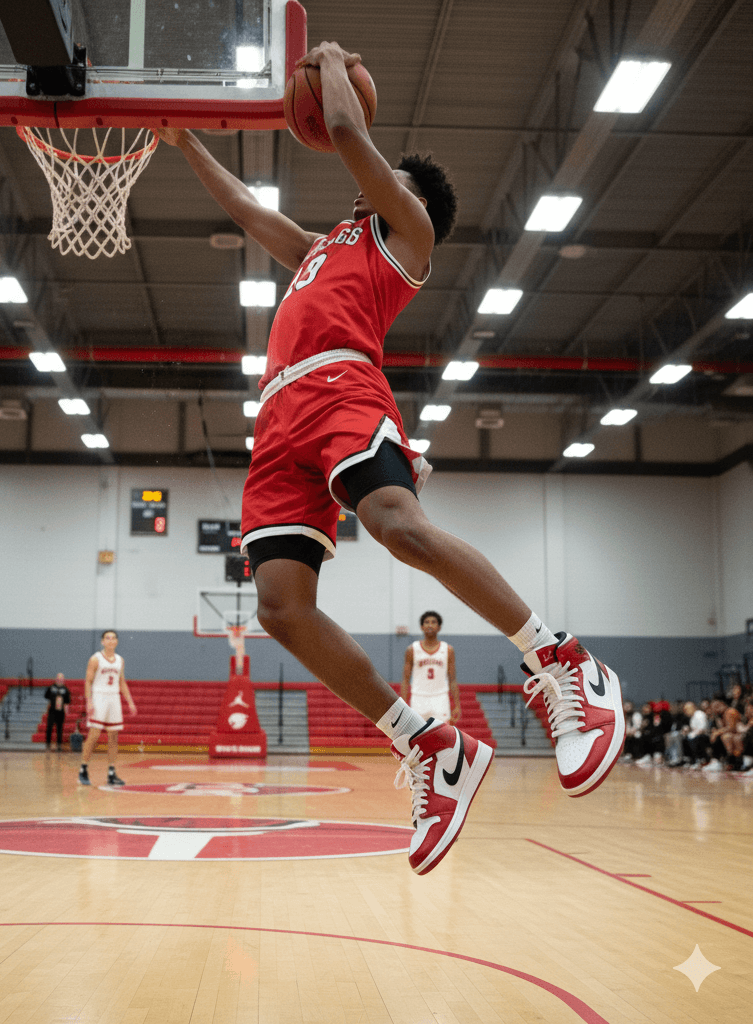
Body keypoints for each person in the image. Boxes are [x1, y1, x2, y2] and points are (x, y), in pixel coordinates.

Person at [157, 40, 626, 875]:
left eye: (384, 178)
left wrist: (332, 61)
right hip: (278, 419)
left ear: (411, 202)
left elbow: (345, 128)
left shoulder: (407, 236)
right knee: (279, 607)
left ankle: (563, 660)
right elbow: (250, 212)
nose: (361, 186)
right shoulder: (321, 247)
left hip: (343, 385)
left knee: (397, 526)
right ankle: (430, 745)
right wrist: (186, 142)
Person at [79, 630, 136, 787]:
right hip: (99, 697)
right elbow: (88, 681)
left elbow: (122, 682)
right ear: (102, 642)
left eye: (113, 638)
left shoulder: (120, 660)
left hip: (114, 698)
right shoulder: (95, 659)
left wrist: (130, 702)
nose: (110, 640)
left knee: (113, 736)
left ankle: (111, 772)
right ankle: (83, 769)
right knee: (94, 735)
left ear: (116, 641)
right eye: (107, 638)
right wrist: (89, 701)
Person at [401, 611, 460, 725]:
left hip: (440, 698)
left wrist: (457, 705)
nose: (430, 625)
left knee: (443, 733)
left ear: (439, 627)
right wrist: (403, 705)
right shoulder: (412, 649)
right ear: (421, 627)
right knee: (417, 733)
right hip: (418, 698)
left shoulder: (448, 650)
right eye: (427, 622)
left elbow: (452, 680)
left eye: (433, 622)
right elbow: (405, 680)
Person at [44, 673, 71, 751]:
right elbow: (46, 696)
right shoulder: (51, 687)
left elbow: (67, 702)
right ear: (56, 679)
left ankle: (59, 746)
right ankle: (48, 745)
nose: (60, 680)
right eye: (59, 679)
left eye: (61, 679)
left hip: (61, 712)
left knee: (59, 729)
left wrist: (66, 712)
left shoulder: (65, 689)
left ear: (63, 680)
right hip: (52, 711)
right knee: (49, 728)